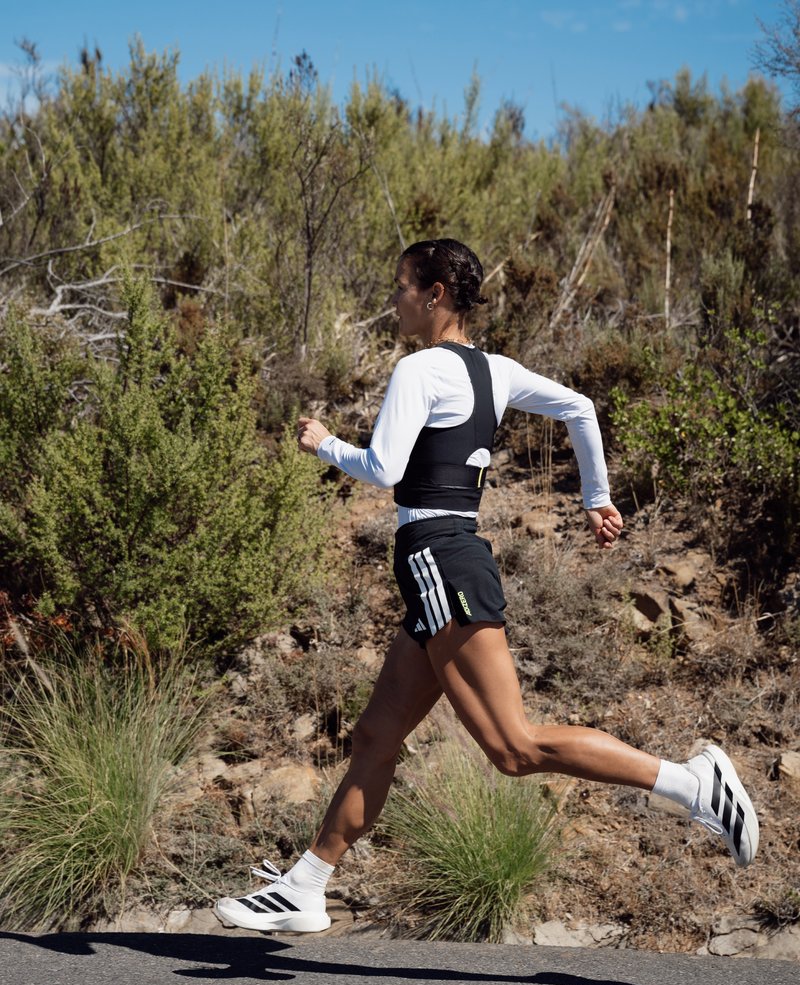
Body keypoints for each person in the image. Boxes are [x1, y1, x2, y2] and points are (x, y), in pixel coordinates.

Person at [215, 238, 759, 935]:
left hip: (438, 557)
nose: (395, 301)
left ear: (435, 293)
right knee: (378, 734)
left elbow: (384, 468)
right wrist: (595, 495)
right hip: (443, 562)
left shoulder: (419, 372)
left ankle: (693, 784)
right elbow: (581, 408)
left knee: (513, 747)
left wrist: (322, 442)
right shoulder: (495, 371)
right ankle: (307, 883)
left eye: (402, 287)